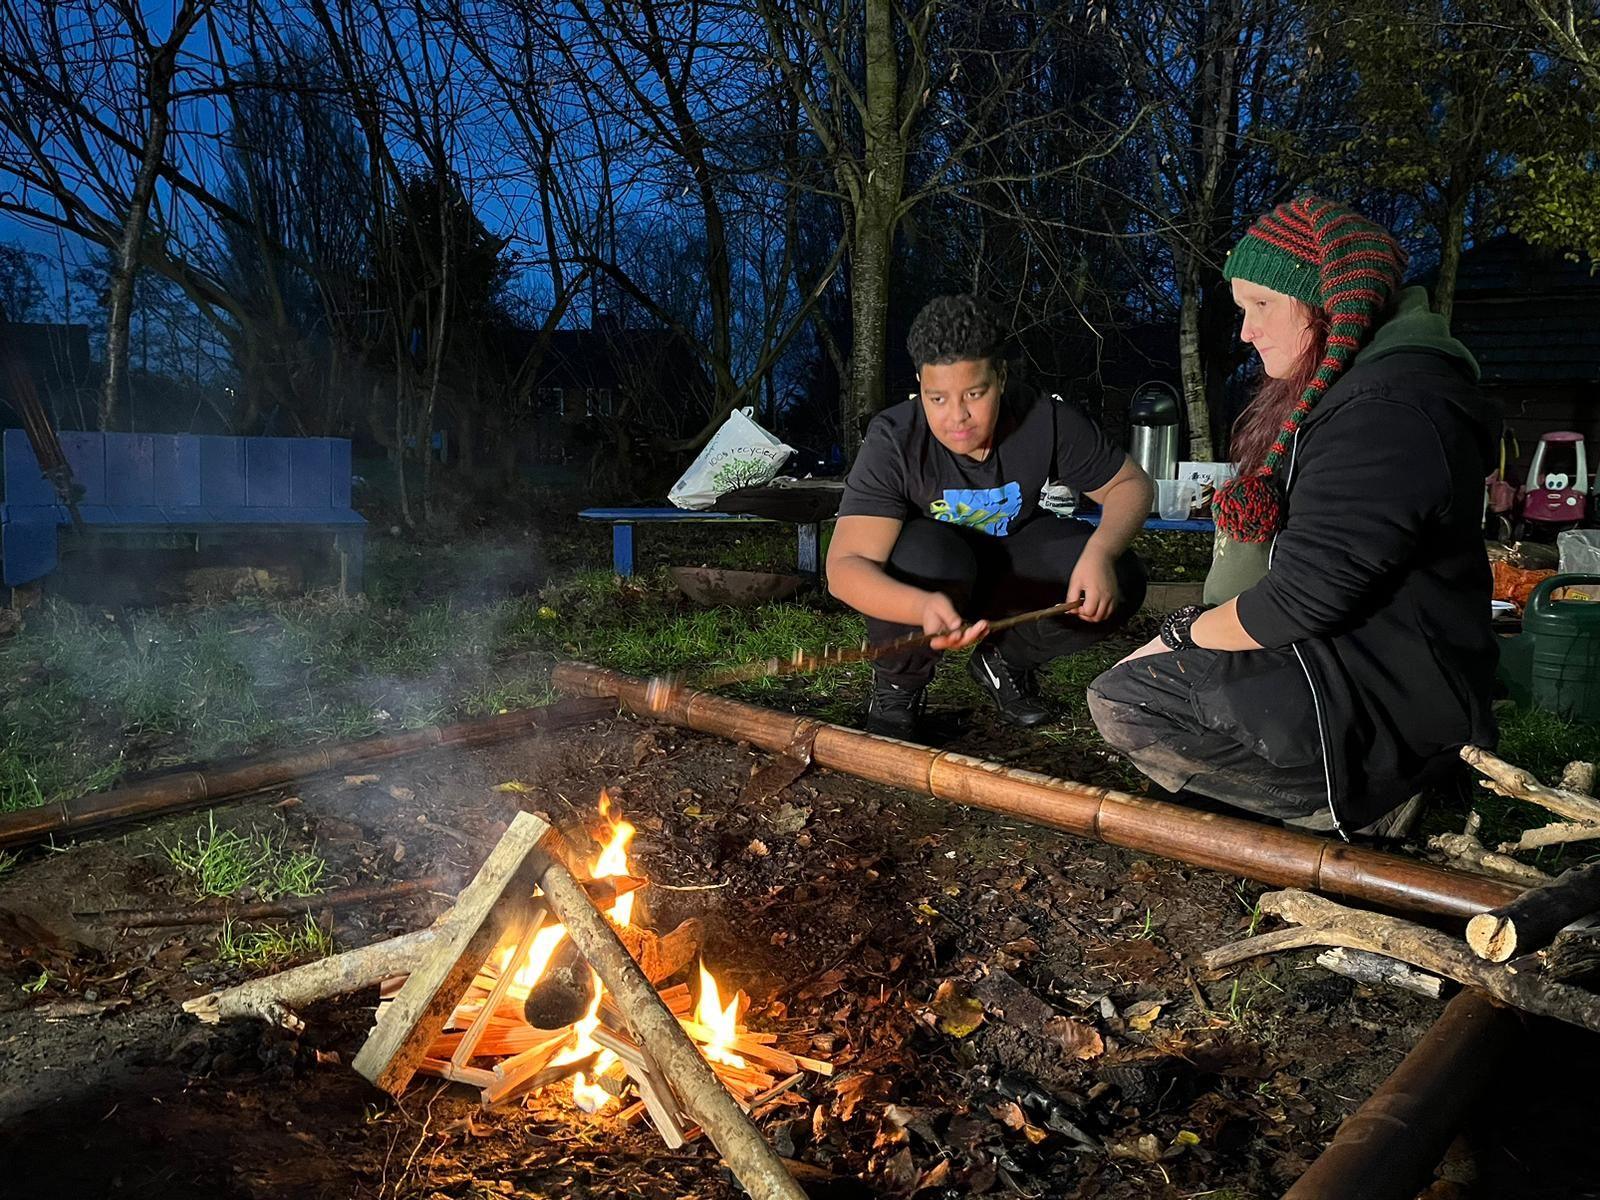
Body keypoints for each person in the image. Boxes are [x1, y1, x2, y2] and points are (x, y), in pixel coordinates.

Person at [1087, 196, 1500, 837]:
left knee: (1128, 698)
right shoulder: (1359, 391)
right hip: (1362, 662)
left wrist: (1182, 634)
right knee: (1145, 680)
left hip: (1383, 696)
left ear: (1335, 304)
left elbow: (1305, 599)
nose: (1247, 332)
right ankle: (1337, 788)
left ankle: (1366, 802)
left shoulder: (1386, 413)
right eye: (1241, 310)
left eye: (1262, 306)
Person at [828, 293, 1152, 739]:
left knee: (1123, 574)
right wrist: (919, 605)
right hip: (936, 566)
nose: (956, 417)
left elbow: (1130, 485)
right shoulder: (895, 438)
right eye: (937, 397)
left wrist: (1100, 550)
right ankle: (898, 687)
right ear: (920, 384)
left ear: (1000, 377)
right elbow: (844, 568)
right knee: (919, 559)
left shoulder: (1044, 417)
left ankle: (1004, 660)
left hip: (1011, 557)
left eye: (974, 394)